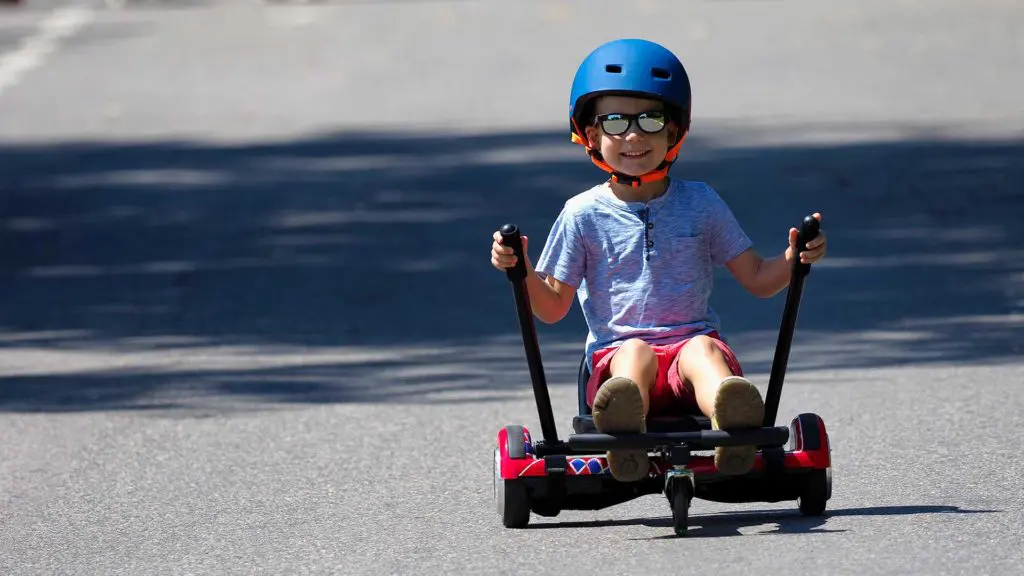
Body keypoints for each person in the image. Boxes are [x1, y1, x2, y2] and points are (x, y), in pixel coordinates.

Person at [489, 38, 828, 482]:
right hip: (617, 356)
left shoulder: (701, 203)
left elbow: (760, 279)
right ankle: (625, 428)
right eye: (615, 121)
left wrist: (795, 257)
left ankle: (733, 419)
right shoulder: (582, 214)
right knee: (635, 353)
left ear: (673, 132)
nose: (633, 135)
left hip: (690, 357)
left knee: (703, 349)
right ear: (591, 135)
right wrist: (521, 270)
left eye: (650, 119)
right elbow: (552, 307)